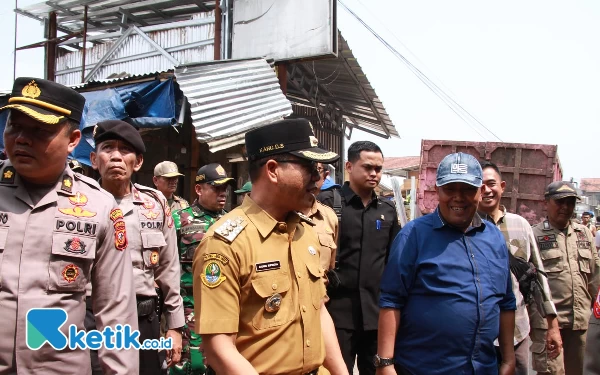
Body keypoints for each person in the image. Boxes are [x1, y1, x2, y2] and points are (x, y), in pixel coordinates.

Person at [0, 77, 139, 373]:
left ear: (73, 139)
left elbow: (116, 311)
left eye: (39, 130)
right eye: (15, 125)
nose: (22, 138)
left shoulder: (99, 207)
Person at [193, 118, 348, 375]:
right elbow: (219, 348)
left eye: (319, 170)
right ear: (273, 170)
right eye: (309, 167)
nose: (317, 178)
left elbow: (318, 311)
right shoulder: (224, 245)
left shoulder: (305, 231)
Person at [376, 152, 516, 375]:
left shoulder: (494, 238)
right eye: (450, 189)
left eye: (467, 189)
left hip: (484, 368)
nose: (458, 197)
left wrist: (508, 359)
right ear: (437, 191)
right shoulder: (413, 235)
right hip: (424, 368)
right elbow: (391, 300)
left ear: (480, 191)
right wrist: (385, 363)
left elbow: (506, 302)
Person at [90, 120, 184, 375]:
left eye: (125, 150)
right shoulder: (80, 205)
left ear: (138, 161)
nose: (117, 156)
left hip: (144, 321)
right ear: (94, 159)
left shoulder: (155, 204)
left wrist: (174, 327)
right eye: (108, 148)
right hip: (90, 324)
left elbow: (168, 268)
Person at [317, 141, 400, 375]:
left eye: (378, 169)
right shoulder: (327, 204)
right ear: (349, 166)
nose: (374, 174)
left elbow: (392, 261)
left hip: (375, 316)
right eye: (368, 167)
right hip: (336, 314)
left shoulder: (387, 210)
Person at [478, 162, 562, 374]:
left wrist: (552, 326)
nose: (486, 190)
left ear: (503, 186)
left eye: (491, 184)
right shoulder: (467, 226)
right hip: (477, 334)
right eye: (480, 185)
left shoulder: (521, 225)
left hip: (517, 331)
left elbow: (539, 277)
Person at [170, 163, 236, 375]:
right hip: (190, 312)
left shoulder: (233, 222)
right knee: (190, 368)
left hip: (226, 313)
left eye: (224, 188)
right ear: (198, 189)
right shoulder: (180, 220)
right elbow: (167, 270)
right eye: (215, 187)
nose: (222, 193)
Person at [530, 181, 600, 375]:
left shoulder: (584, 233)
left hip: (581, 323)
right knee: (552, 372)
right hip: (550, 324)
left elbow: (595, 277)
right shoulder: (534, 235)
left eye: (570, 202)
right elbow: (529, 285)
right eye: (560, 202)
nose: (566, 207)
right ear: (546, 203)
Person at [303, 162, 339, 274]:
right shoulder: (277, 213)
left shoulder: (329, 216)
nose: (313, 176)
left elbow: (330, 267)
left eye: (316, 170)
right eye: (306, 168)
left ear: (325, 175)